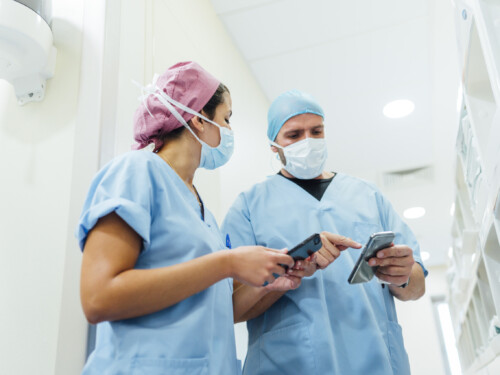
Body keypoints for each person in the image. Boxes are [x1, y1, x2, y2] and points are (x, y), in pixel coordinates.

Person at [76, 62, 303, 375]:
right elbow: (98, 297)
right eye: (226, 119)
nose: (230, 131)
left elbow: (216, 309)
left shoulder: (202, 210)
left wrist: (271, 283)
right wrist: (228, 263)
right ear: (198, 119)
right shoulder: (136, 171)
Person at [221, 89, 428, 375]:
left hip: (375, 359)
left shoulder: (367, 195)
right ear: (274, 146)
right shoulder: (249, 207)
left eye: (316, 131)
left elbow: (417, 287)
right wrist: (290, 269)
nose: (308, 142)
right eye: (294, 135)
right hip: (289, 363)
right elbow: (230, 308)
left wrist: (404, 275)